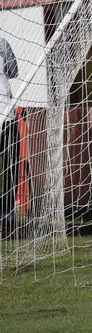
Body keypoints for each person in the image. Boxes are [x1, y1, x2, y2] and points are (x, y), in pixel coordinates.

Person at [0, 35, 20, 226]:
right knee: (9, 167)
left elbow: (14, 71)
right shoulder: (2, 41)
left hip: (7, 115)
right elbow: (12, 71)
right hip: (7, 115)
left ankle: (7, 213)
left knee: (11, 166)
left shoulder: (3, 41)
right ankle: (7, 213)